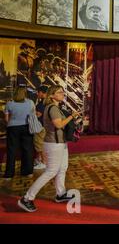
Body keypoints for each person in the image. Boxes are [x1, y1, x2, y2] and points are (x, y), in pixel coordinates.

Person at [18, 85, 80, 213]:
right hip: (54, 144)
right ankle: (27, 198)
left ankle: (60, 194)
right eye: (60, 92)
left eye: (63, 92)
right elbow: (58, 125)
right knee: (51, 171)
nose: (63, 94)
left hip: (60, 143)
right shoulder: (52, 108)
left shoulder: (56, 108)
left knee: (62, 168)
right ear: (52, 95)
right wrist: (72, 116)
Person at [3, 87, 35, 180]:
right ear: (25, 93)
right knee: (28, 150)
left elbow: (6, 119)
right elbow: (32, 116)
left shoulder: (9, 103)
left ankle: (9, 174)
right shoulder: (30, 102)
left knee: (11, 150)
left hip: (13, 128)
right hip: (26, 127)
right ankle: (28, 172)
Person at [33, 85, 48, 170]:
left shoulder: (42, 103)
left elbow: (38, 114)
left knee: (40, 144)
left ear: (42, 93)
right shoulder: (49, 102)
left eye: (38, 92)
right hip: (46, 126)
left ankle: (43, 162)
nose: (37, 94)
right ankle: (39, 160)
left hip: (41, 126)